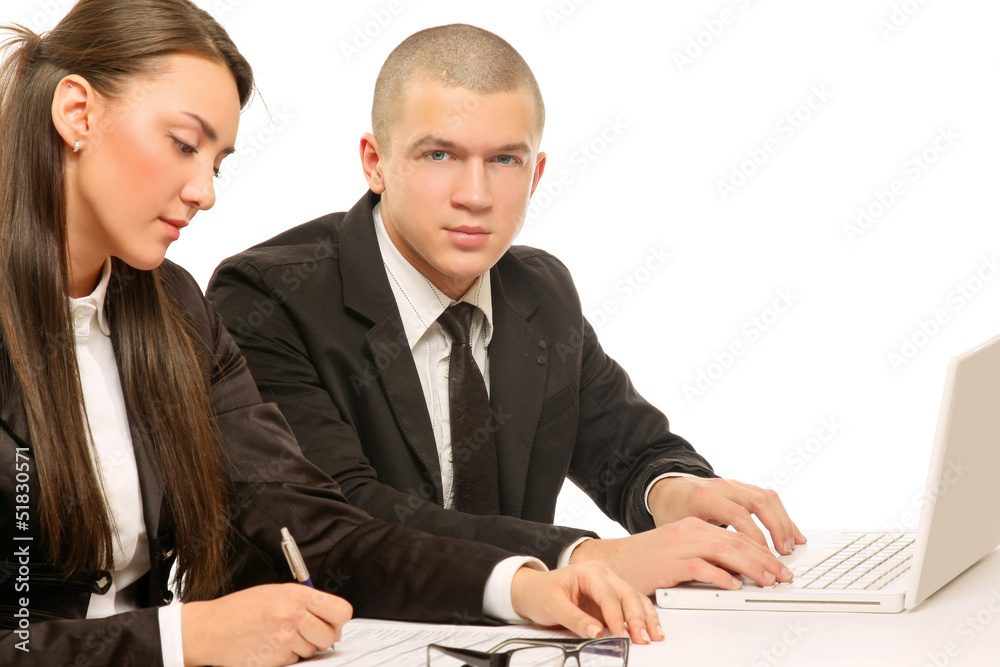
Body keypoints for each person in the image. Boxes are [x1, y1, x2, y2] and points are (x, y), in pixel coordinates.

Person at [0, 3, 664, 665]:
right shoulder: (257, 294)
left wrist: (519, 584)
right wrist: (181, 637)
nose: (205, 191)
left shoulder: (171, 309)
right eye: (182, 144)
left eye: (217, 162)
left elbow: (316, 525)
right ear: (77, 113)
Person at [207, 23, 807, 598]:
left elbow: (630, 450)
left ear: (536, 174)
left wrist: (671, 491)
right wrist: (582, 556)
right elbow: (343, 517)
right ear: (375, 163)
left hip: (516, 641)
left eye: (504, 160)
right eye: (439, 155)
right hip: (335, 640)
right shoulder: (268, 297)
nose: (475, 195)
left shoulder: (539, 291)